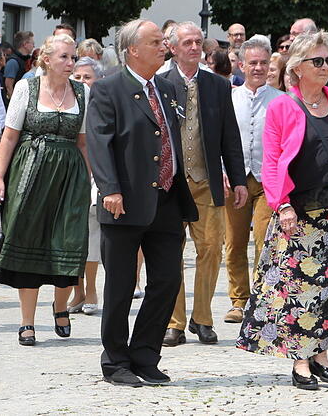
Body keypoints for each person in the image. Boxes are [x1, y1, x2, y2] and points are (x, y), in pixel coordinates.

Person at [237, 28, 328, 390]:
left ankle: (322, 353)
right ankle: (301, 360)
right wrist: (282, 204)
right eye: (317, 61)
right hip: (299, 213)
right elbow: (273, 162)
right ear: (298, 67)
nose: (325, 67)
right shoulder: (283, 105)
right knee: (298, 290)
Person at [88, 19, 198, 386]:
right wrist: (110, 189)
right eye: (156, 41)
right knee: (120, 285)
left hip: (165, 199)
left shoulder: (166, 88)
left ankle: (146, 354)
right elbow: (99, 142)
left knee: (167, 280)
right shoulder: (108, 90)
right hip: (125, 200)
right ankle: (116, 361)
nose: (164, 46)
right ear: (132, 50)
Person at [0, 33, 89, 346]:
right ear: (46, 59)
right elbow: (9, 137)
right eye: (64, 57)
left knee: (68, 239)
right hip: (30, 173)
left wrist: (93, 181)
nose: (71, 63)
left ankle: (61, 306)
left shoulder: (83, 91)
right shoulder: (27, 87)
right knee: (27, 239)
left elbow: (84, 142)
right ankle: (27, 321)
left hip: (70, 176)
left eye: (73, 58)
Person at [160, 21, 247, 347]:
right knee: (171, 252)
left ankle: (202, 317)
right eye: (187, 43)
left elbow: (230, 137)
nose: (195, 47)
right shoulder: (160, 82)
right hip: (171, 183)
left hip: (206, 180)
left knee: (211, 248)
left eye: (198, 42)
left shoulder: (217, 85)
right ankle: (175, 322)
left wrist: (237, 179)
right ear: (173, 47)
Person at [222, 36, 283, 324]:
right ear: (242, 65)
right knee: (234, 242)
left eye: (263, 63)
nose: (258, 68)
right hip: (236, 180)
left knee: (264, 239)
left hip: (267, 180)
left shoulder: (281, 100)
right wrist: (223, 170)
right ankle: (239, 300)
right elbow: (220, 139)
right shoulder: (230, 98)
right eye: (253, 63)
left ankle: (263, 299)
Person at [68, 56, 105, 315]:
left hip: (96, 174)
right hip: (69, 173)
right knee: (70, 236)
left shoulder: (103, 104)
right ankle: (76, 290)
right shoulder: (65, 103)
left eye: (87, 77)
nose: (82, 82)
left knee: (92, 230)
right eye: (77, 77)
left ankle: (91, 288)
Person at [3, 31, 33, 99]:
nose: (33, 46)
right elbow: (8, 86)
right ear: (25, 44)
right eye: (32, 43)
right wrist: (14, 102)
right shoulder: (13, 62)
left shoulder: (27, 60)